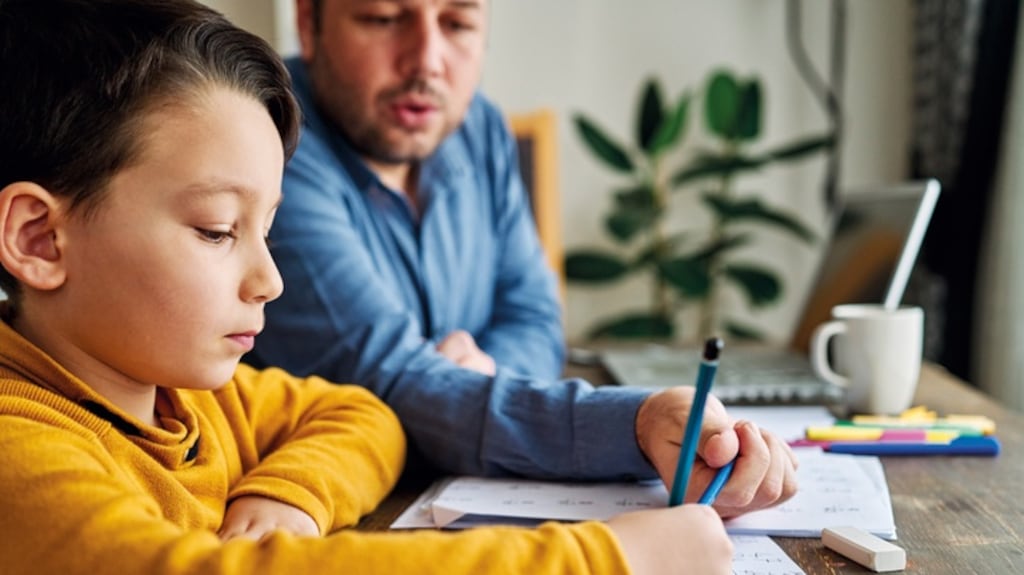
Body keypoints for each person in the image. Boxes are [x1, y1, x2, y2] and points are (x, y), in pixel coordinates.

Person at [0, 1, 741, 573]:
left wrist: (291, 488)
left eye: (268, 227)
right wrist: (602, 558)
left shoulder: (189, 394)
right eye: (219, 230)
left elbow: (364, 413)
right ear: (39, 238)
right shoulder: (18, 451)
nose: (270, 278)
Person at [249, 0, 799, 509]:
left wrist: (483, 376)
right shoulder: (266, 141)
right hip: (306, 504)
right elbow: (387, 377)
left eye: (458, 23)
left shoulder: (479, 129)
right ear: (308, 24)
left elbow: (534, 318)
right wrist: (637, 425)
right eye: (384, 18)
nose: (427, 62)